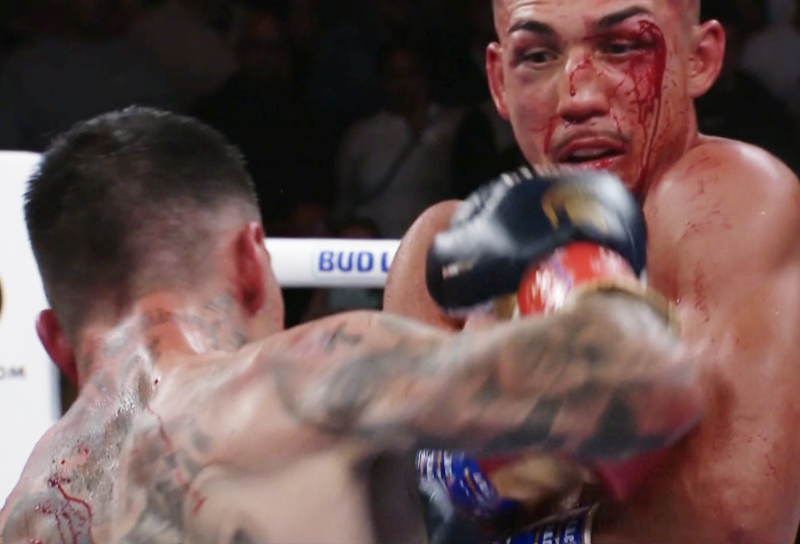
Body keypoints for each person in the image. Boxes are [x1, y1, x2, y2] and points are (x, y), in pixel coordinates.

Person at [0, 107, 699, 543]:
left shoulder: (27, 512)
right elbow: (646, 383)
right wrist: (577, 265)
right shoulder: (311, 376)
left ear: (53, 340)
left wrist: (456, 485)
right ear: (250, 262)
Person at [384, 0, 800, 542]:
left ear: (699, 58)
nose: (577, 97)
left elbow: (735, 524)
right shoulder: (440, 258)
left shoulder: (732, 199)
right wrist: (469, 477)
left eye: (620, 47)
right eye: (537, 55)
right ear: (499, 80)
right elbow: (389, 522)